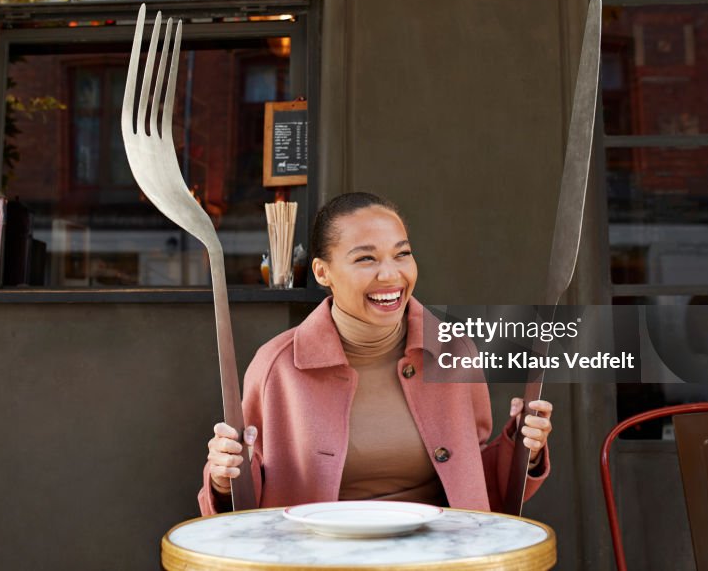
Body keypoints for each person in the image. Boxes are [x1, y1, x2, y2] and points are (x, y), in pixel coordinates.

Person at [198, 192, 552, 515]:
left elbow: (477, 483)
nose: (390, 274)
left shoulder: (454, 350)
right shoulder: (277, 367)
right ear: (323, 272)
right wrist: (222, 477)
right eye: (366, 258)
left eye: (402, 254)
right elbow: (246, 493)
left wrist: (522, 448)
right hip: (318, 560)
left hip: (441, 557)